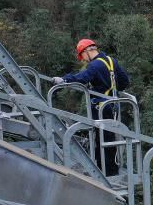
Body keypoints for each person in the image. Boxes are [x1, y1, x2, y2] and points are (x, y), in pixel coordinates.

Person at [53, 38, 131, 176]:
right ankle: (111, 170)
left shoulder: (94, 66)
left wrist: (64, 80)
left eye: (82, 56)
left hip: (101, 107)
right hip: (113, 105)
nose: (83, 60)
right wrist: (109, 87)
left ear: (87, 51)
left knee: (102, 139)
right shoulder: (111, 61)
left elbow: (81, 78)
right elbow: (125, 81)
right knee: (110, 137)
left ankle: (105, 172)